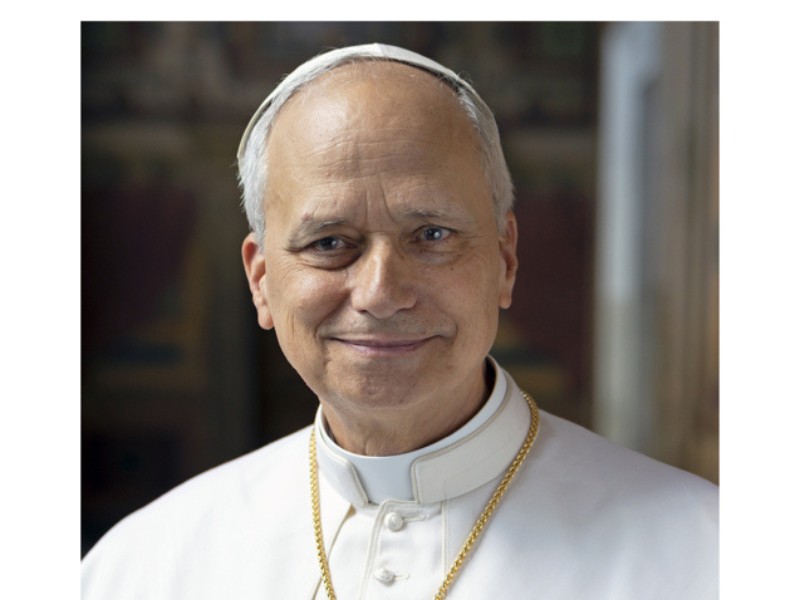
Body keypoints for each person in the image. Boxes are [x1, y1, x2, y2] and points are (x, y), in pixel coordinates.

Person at [82, 43, 718, 599]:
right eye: (330, 243)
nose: (380, 294)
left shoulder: (709, 553)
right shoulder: (144, 565)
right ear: (262, 280)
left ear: (504, 260)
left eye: (431, 234)